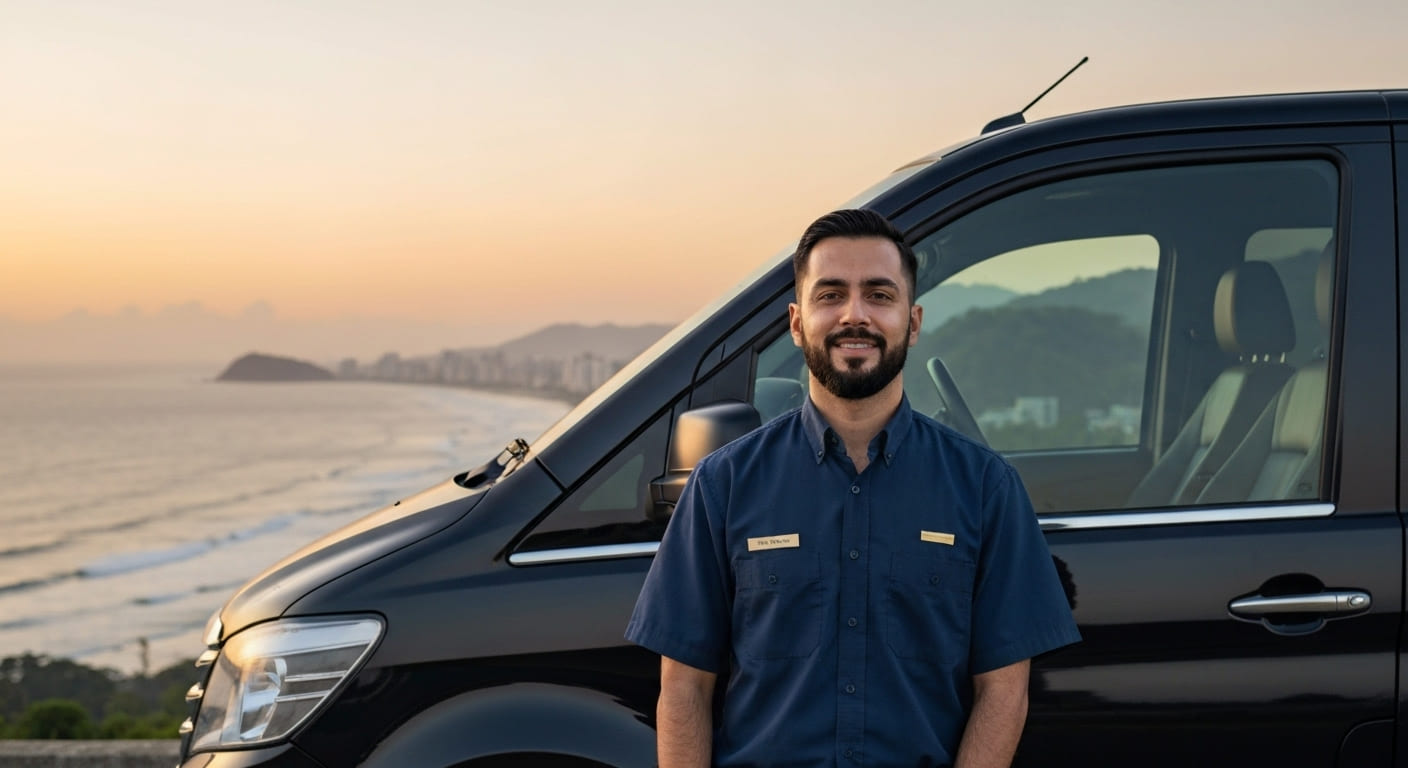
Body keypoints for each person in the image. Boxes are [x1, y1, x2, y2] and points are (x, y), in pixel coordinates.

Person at [625, 208, 1080, 768]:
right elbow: (683, 691)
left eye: (879, 295)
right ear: (796, 323)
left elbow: (1004, 693)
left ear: (912, 323)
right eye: (830, 294)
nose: (854, 315)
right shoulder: (724, 485)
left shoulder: (986, 488)